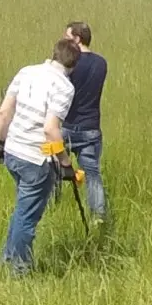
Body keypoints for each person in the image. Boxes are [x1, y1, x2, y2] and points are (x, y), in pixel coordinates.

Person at [0, 38, 82, 277]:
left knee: (22, 209)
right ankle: (19, 270)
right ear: (73, 66)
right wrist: (65, 162)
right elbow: (51, 128)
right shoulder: (64, 87)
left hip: (12, 149)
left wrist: (0, 143)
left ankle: (8, 258)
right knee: (28, 216)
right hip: (35, 158)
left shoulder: (26, 71)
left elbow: (3, 112)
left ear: (53, 54)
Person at [61, 21, 109, 227]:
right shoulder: (101, 63)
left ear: (77, 39)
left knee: (54, 170)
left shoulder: (70, 63)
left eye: (67, 36)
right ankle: (98, 216)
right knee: (92, 175)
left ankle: (52, 205)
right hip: (91, 127)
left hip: (66, 125)